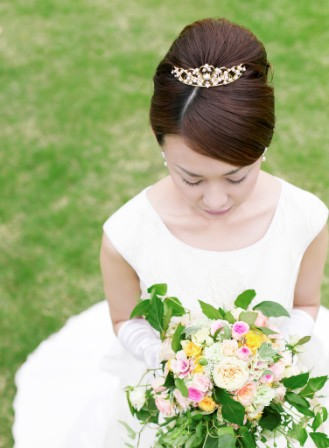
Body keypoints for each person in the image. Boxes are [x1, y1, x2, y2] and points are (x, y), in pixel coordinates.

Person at [13, 17, 329, 448]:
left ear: (264, 148)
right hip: (172, 400)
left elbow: (305, 303)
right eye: (191, 179)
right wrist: (171, 362)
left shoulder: (305, 217)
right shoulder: (127, 233)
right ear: (160, 144)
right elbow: (126, 319)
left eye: (236, 177)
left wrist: (266, 361)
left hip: (271, 390)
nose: (215, 200)